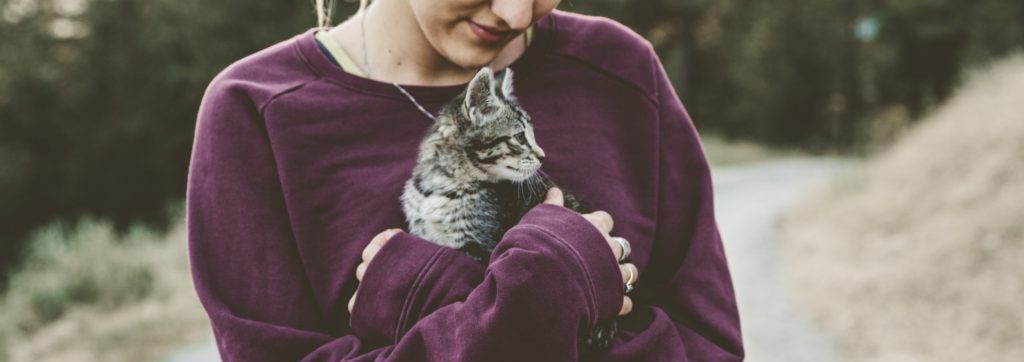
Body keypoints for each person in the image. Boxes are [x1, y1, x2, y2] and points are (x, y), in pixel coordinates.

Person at [186, 0, 744, 360]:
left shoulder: (620, 72)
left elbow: (710, 349)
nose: (518, 13)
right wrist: (541, 295)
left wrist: (427, 306)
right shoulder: (256, 112)